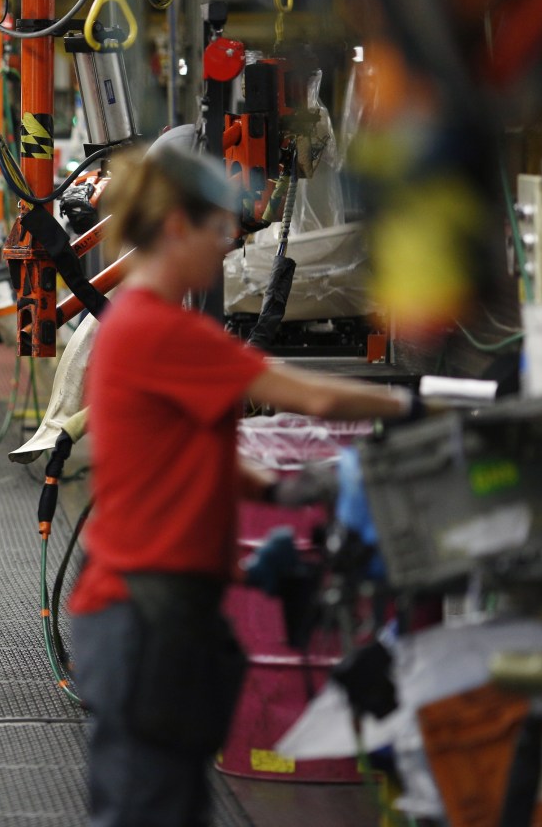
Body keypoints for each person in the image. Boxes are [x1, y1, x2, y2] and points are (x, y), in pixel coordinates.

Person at [68, 145, 417, 827]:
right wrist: (423, 403)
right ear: (176, 228)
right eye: (220, 231)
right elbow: (307, 396)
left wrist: (279, 489)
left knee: (173, 804)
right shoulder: (158, 326)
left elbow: (182, 452)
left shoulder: (139, 322)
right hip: (145, 614)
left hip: (158, 608)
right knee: (148, 809)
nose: (227, 249)